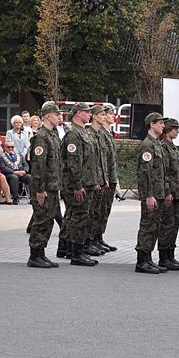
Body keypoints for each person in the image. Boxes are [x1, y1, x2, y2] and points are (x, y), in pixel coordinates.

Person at [59, 102, 99, 266]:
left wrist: (94, 180)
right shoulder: (74, 135)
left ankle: (71, 249)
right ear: (77, 114)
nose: (89, 114)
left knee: (80, 217)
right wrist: (77, 185)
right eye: (86, 112)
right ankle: (76, 253)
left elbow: (90, 161)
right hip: (78, 185)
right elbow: (74, 163)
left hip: (86, 182)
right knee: (78, 218)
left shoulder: (83, 132)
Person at [26, 102, 64, 268]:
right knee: (41, 220)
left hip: (53, 186)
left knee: (48, 221)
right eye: (57, 114)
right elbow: (38, 166)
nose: (59, 117)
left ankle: (41, 253)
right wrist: (40, 189)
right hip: (44, 187)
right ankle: (35, 255)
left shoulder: (53, 135)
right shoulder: (41, 136)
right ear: (48, 116)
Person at [134, 112, 168, 274]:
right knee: (147, 226)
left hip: (158, 192)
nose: (163, 126)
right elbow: (144, 173)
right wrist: (148, 195)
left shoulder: (157, 144)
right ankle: (142, 260)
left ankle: (148, 258)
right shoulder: (147, 145)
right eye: (160, 123)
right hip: (151, 194)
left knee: (154, 226)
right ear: (152, 124)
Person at [156, 118, 179, 271]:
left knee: (174, 224)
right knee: (166, 225)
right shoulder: (163, 147)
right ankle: (164, 257)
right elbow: (165, 173)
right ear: (167, 130)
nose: (177, 131)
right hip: (169, 192)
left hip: (175, 192)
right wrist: (167, 192)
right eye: (174, 128)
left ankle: (170, 255)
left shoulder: (172, 147)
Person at [85, 105, 110, 256]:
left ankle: (96, 239)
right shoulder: (90, 134)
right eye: (101, 114)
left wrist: (105, 178)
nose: (104, 116)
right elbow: (90, 162)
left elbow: (104, 160)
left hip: (101, 178)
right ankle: (88, 242)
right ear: (94, 116)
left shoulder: (100, 135)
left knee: (98, 212)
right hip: (92, 180)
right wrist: (95, 180)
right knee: (90, 213)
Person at [94, 104, 118, 252]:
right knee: (98, 211)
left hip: (110, 176)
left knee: (105, 211)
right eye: (110, 114)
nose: (111, 116)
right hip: (104, 178)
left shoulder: (108, 133)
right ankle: (94, 238)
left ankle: (99, 237)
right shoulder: (100, 133)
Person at [0, 139, 31, 204]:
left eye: (12, 147)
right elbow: (3, 168)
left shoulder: (20, 155)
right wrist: (14, 172)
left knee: (29, 177)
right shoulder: (1, 157)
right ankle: (15, 198)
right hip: (9, 174)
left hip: (21, 173)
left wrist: (24, 171)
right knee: (14, 177)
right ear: (5, 147)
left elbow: (26, 165)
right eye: (8, 147)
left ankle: (33, 198)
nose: (10, 148)